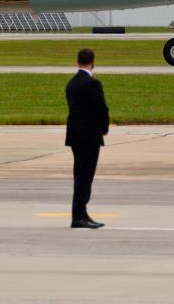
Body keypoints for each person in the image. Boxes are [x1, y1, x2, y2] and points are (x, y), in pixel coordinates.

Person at [65, 48, 110, 229]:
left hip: (75, 136)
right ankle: (78, 216)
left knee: (79, 175)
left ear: (78, 61)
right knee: (85, 177)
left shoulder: (72, 83)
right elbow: (101, 109)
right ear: (93, 62)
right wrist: (104, 128)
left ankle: (82, 214)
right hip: (89, 137)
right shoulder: (93, 84)